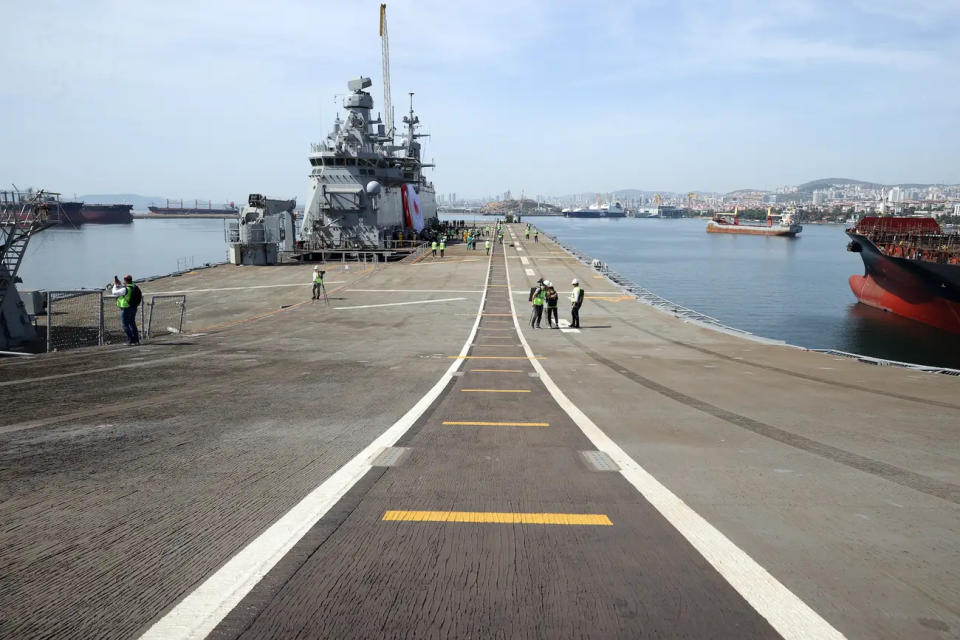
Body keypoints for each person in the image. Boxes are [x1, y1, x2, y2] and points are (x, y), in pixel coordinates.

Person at [111, 274, 142, 345]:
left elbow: (114, 292)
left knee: (124, 324)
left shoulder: (125, 289)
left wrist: (115, 285)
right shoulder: (133, 286)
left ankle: (131, 340)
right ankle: (136, 340)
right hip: (133, 307)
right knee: (132, 323)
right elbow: (125, 288)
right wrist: (120, 284)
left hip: (126, 308)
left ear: (125, 280)